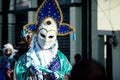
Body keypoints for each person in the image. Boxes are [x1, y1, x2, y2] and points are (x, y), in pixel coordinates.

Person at [14, 0, 75, 80]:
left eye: (50, 36)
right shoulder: (26, 59)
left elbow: (70, 76)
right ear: (37, 33)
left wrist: (59, 76)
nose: (46, 40)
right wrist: (29, 73)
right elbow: (18, 75)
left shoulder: (62, 59)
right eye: (43, 35)